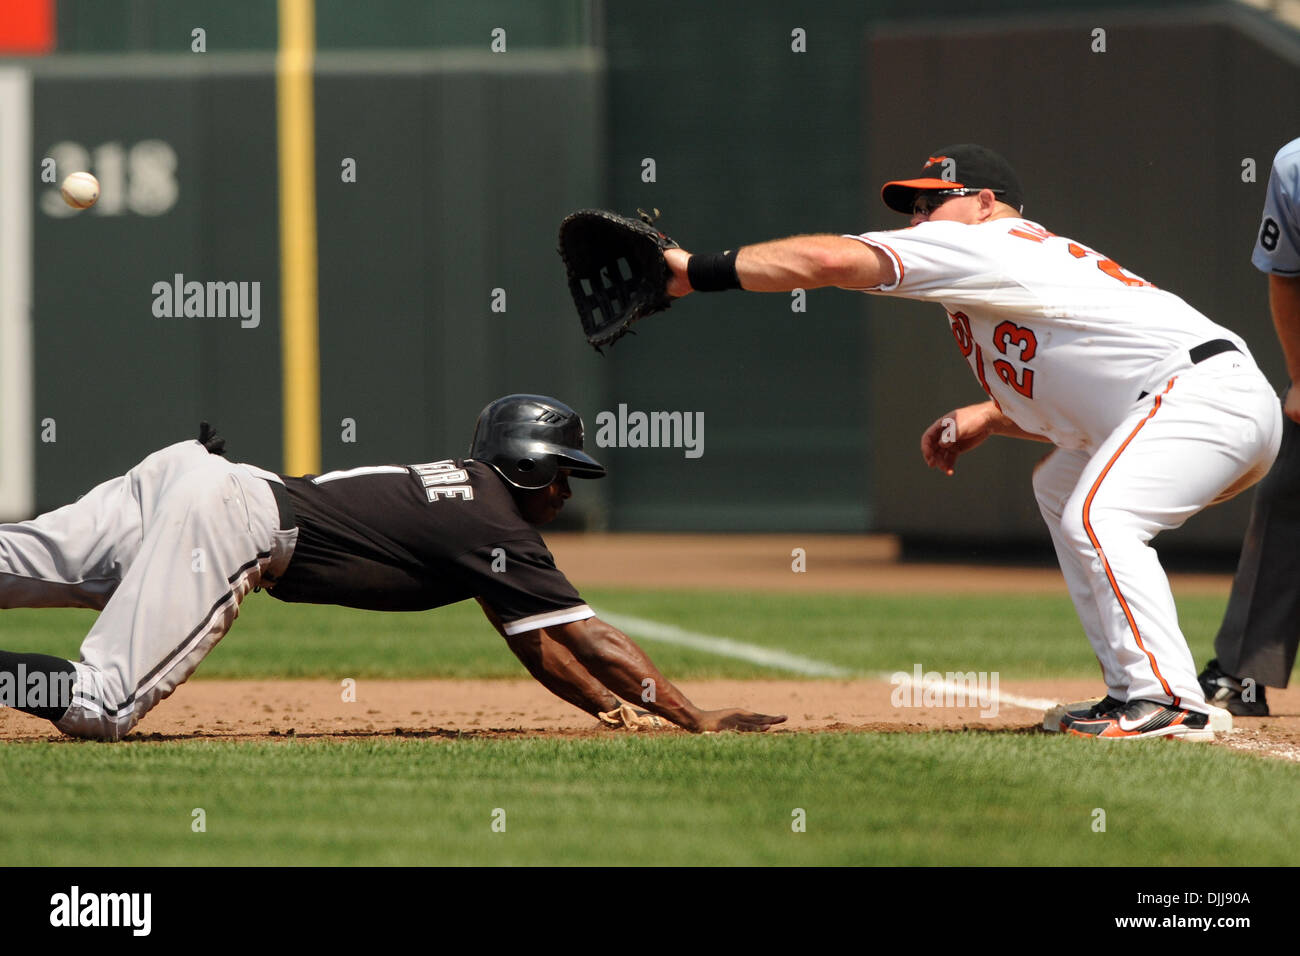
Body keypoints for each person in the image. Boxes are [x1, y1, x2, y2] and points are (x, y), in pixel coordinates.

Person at [663, 143, 1282, 740]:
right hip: (1204, 402)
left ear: (986, 202)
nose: (920, 218)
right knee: (1060, 487)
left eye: (935, 201)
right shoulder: (1007, 273)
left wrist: (700, 271)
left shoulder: (986, 242)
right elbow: (1078, 397)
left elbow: (828, 262)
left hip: (1204, 395)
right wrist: (990, 415)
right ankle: (1129, 688)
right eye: (913, 208)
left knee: (1099, 515)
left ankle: (1168, 701)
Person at [0, 394, 786, 740]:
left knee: (20, 560)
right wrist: (695, 718)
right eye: (562, 472)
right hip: (229, 518)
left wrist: (614, 713)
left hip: (185, 477)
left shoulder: (469, 506)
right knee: (101, 706)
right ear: (528, 466)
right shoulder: (491, 521)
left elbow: (534, 639)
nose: (566, 490)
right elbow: (588, 636)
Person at [1198, 136, 1300, 716]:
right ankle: (1242, 675)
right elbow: (1286, 276)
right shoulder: (1295, 165)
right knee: (1287, 495)